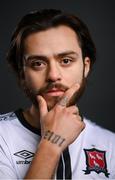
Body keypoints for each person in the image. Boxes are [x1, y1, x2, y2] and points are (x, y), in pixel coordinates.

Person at [0, 9, 115, 179]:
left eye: (66, 61)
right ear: (22, 73)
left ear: (86, 66)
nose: (53, 75)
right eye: (38, 63)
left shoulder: (111, 144)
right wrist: (51, 144)